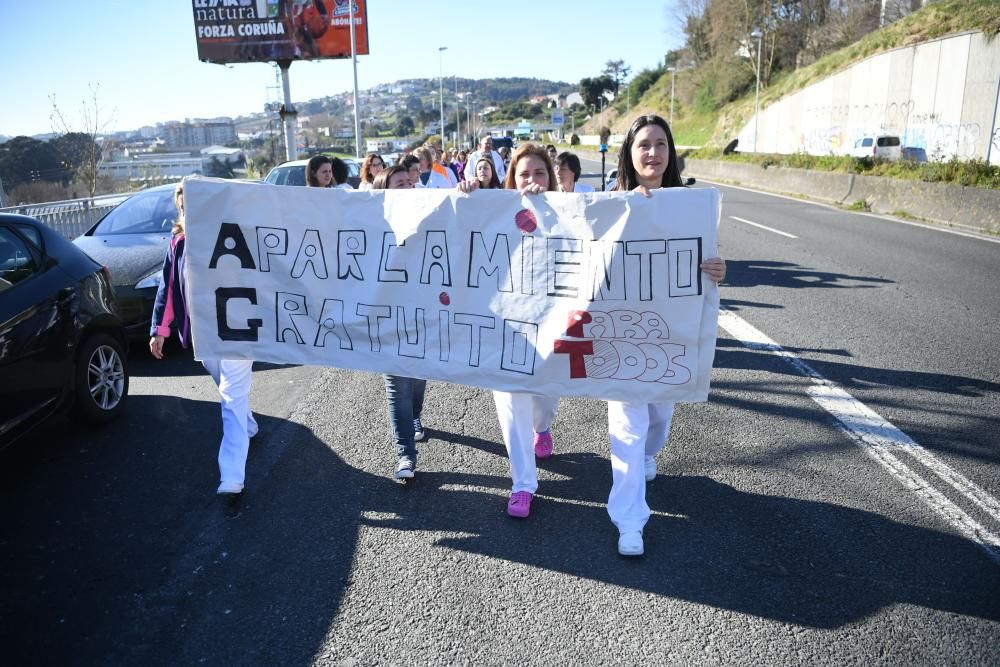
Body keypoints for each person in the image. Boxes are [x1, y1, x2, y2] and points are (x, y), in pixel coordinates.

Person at [607, 114, 726, 556]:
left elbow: (709, 261)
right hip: (619, 337)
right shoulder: (609, 203)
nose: (652, 152)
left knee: (656, 425)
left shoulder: (690, 206)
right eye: (643, 144)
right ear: (630, 152)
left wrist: (719, 269)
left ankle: (650, 455)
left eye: (660, 143)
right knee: (627, 429)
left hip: (669, 336)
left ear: (671, 152)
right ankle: (629, 521)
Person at [459, 143, 561, 518]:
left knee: (545, 397)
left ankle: (544, 426)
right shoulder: (497, 212)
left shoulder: (571, 214)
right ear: (511, 180)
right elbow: (459, 229)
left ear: (550, 177)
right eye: (523, 174)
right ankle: (522, 484)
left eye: (539, 173)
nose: (532, 180)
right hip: (504, 327)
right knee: (510, 401)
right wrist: (467, 198)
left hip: (550, 326)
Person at [149, 183, 257, 496]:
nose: (187, 206)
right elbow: (167, 287)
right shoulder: (178, 242)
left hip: (237, 327)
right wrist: (160, 329)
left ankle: (232, 475)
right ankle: (248, 424)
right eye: (182, 202)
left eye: (192, 200)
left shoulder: (231, 231)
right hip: (203, 332)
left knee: (230, 395)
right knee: (225, 385)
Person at [369, 165, 430, 479]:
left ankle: (415, 415)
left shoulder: (428, 218)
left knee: (417, 380)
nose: (407, 186)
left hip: (421, 314)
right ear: (385, 189)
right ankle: (406, 455)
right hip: (387, 317)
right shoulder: (372, 224)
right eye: (399, 183)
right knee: (396, 388)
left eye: (410, 182)